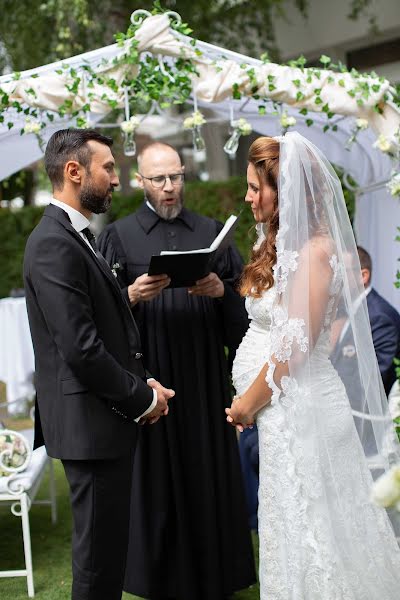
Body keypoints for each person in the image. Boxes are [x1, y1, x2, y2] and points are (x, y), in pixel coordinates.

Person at [227, 132, 400, 598]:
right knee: (291, 526)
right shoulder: (280, 244)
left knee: (319, 533)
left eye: (255, 187)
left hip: (304, 412)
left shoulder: (317, 252)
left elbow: (293, 349)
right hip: (282, 411)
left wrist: (246, 404)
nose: (247, 197)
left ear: (285, 192)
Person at [98, 141, 256, 600]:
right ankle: (158, 578)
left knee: (207, 474)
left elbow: (245, 319)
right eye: (159, 179)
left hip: (204, 378)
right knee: (153, 480)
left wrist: (218, 291)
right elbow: (99, 320)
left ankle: (214, 576)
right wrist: (130, 296)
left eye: (177, 177)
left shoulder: (211, 233)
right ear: (141, 182)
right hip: (149, 378)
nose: (170, 187)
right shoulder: (118, 237)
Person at [23, 129, 174, 600]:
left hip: (100, 421)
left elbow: (101, 328)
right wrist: (142, 398)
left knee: (108, 555)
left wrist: (138, 377)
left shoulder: (77, 235)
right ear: (74, 171)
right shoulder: (53, 242)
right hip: (89, 426)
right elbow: (81, 348)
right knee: (96, 564)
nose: (115, 179)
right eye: (108, 168)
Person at [332, 245, 400, 396]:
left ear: (363, 276)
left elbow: (374, 381)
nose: (334, 278)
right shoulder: (347, 309)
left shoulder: (381, 318)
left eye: (340, 271)